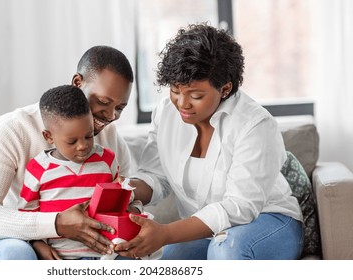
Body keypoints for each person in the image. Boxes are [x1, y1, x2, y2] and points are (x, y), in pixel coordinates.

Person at [114, 23, 304, 260]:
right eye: (175, 90)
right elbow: (156, 176)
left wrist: (165, 233)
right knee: (155, 260)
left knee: (226, 251)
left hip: (270, 221)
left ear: (225, 89)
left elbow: (240, 207)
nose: (182, 103)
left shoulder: (255, 125)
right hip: (207, 233)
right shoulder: (165, 114)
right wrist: (124, 190)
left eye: (196, 96)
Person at [0, 46, 134, 260]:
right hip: (17, 239)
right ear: (77, 83)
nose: (110, 116)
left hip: (91, 247)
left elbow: (126, 192)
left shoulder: (109, 137)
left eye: (120, 108)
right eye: (103, 102)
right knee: (15, 254)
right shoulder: (13, 129)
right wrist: (54, 226)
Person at [18, 84, 134, 260]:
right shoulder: (38, 169)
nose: (83, 146)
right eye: (72, 141)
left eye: (89, 136)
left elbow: (120, 202)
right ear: (49, 137)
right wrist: (36, 243)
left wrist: (129, 199)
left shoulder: (107, 160)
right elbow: (27, 214)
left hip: (107, 255)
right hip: (61, 257)